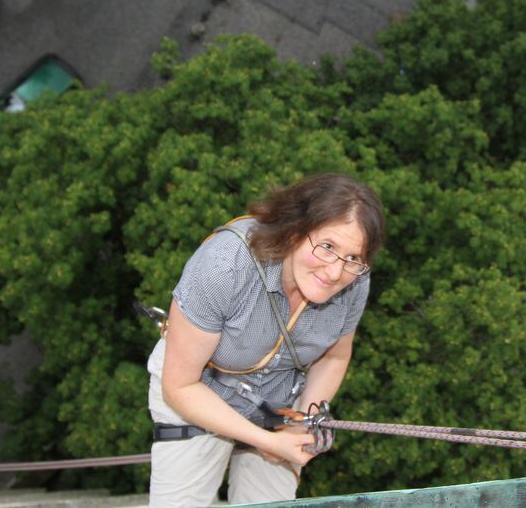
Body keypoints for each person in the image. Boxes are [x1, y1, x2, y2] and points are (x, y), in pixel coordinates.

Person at [147, 173, 385, 508]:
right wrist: (265, 441)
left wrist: (301, 421)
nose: (335, 272)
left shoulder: (354, 282)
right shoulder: (224, 265)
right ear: (293, 231)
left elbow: (333, 358)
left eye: (353, 258)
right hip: (196, 390)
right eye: (327, 247)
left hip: (277, 402)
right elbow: (180, 386)